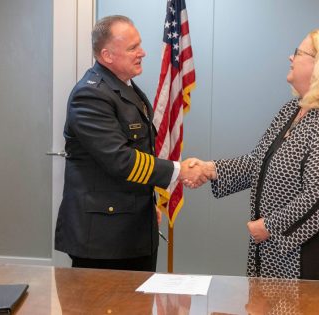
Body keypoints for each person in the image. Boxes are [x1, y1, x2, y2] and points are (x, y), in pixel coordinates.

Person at [185, 29, 319, 315]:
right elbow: (259, 162)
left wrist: (269, 226)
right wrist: (210, 169)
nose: (291, 57)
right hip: (288, 246)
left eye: (299, 53)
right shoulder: (294, 109)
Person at [54, 15, 206, 272]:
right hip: (104, 239)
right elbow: (121, 161)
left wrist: (147, 206)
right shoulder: (90, 95)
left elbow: (141, 152)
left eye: (140, 45)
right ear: (107, 55)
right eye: (132, 48)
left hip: (131, 227)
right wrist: (179, 171)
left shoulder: (125, 88)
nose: (142, 52)